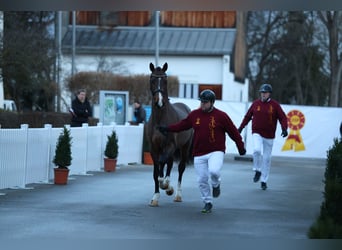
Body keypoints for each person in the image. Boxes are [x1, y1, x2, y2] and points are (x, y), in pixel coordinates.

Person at [157, 89, 246, 213]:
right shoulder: (195, 115)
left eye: (205, 102)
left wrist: (240, 147)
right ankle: (207, 202)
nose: (202, 104)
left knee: (214, 171)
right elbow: (182, 125)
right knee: (201, 180)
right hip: (199, 152)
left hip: (216, 151)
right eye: (201, 102)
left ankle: (216, 185)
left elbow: (234, 132)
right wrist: (167, 128)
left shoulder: (221, 116)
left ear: (212, 102)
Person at [237, 83, 288, 190]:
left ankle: (264, 181)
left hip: (269, 135)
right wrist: (241, 128)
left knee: (266, 158)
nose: (263, 95)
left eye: (265, 93)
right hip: (257, 132)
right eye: (262, 93)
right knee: (256, 150)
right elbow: (247, 116)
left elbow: (283, 117)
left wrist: (284, 128)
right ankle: (257, 170)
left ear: (269, 94)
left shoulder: (275, 105)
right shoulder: (256, 104)